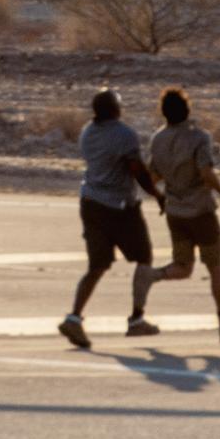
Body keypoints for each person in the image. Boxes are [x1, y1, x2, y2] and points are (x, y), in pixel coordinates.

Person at [135, 85, 220, 345]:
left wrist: (162, 197)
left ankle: (152, 275)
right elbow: (206, 173)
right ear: (187, 110)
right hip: (200, 211)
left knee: (183, 266)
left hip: (175, 212)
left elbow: (153, 176)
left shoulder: (158, 139)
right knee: (215, 267)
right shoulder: (199, 137)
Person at [57, 88, 157, 349]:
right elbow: (137, 170)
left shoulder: (87, 132)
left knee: (97, 265)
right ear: (115, 109)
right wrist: (157, 194)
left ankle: (74, 316)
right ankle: (137, 319)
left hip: (90, 202)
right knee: (144, 257)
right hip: (120, 207)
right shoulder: (124, 135)